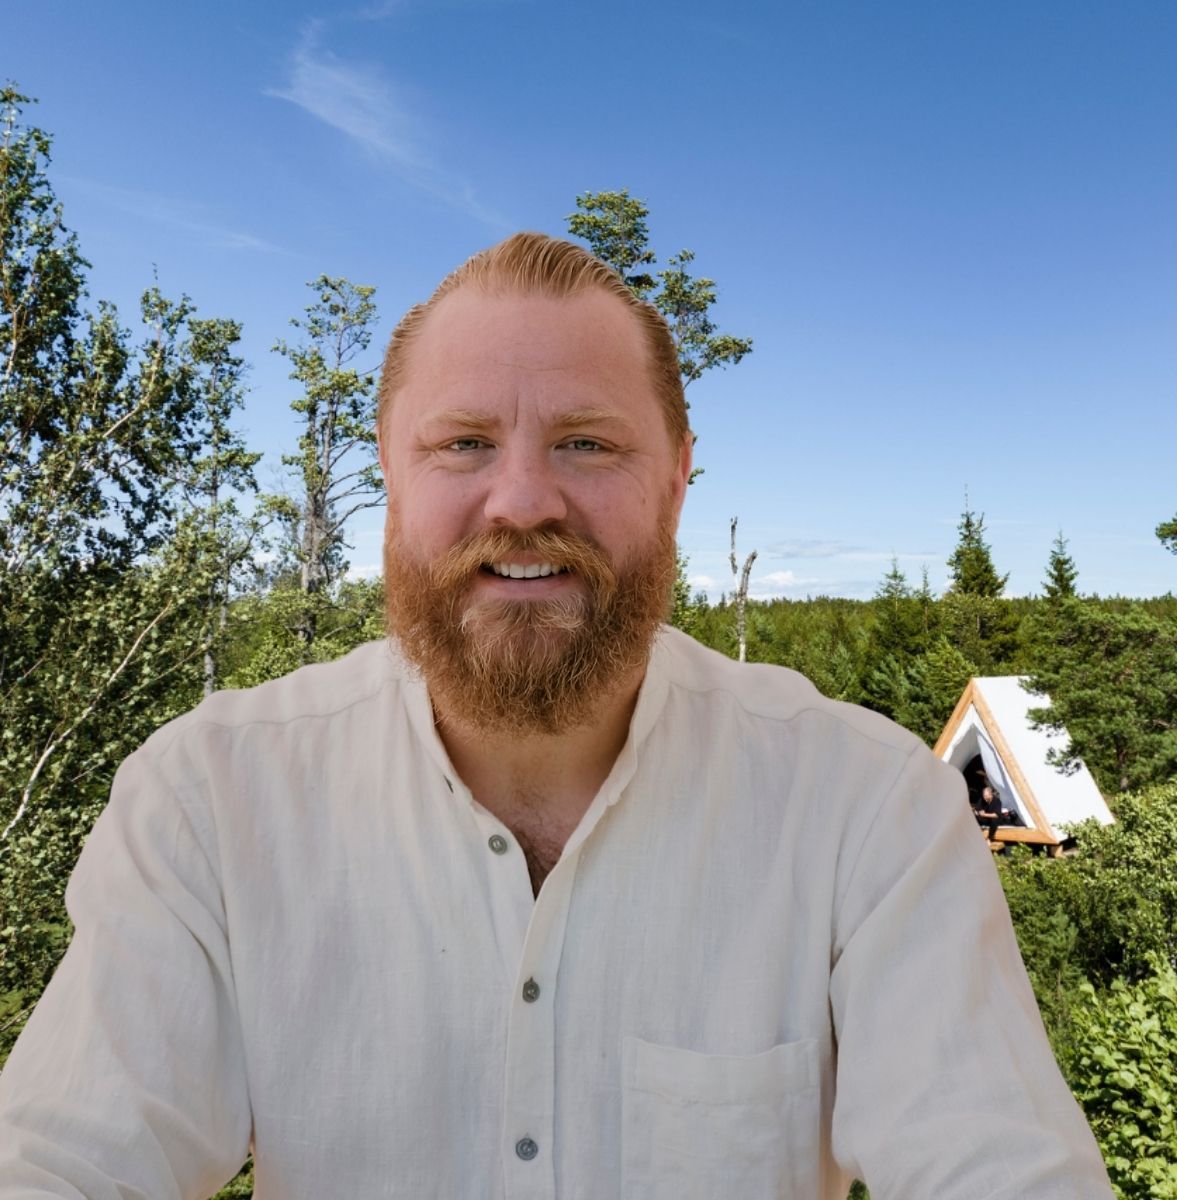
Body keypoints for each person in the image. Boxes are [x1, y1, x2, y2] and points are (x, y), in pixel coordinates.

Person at [0, 232, 1112, 1198]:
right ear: (392, 473)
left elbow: (1003, 1168)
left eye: (587, 441)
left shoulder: (866, 814)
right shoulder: (212, 802)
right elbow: (61, 1160)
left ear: (678, 479)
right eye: (464, 443)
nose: (525, 499)